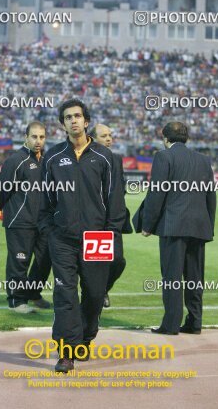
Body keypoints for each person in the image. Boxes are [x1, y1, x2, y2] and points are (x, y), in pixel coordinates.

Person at [38, 99, 126, 373]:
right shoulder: (53, 157)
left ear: (86, 121)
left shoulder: (104, 157)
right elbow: (44, 200)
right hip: (62, 238)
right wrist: (50, 230)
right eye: (68, 117)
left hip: (97, 238)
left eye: (77, 116)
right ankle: (66, 351)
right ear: (62, 124)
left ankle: (86, 337)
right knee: (65, 293)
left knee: (95, 293)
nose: (73, 120)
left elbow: (115, 198)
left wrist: (110, 233)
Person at [139, 122, 216, 335]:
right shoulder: (203, 160)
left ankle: (171, 325)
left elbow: (157, 193)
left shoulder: (164, 157)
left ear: (165, 139)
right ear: (186, 138)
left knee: (172, 278)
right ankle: (194, 322)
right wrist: (209, 226)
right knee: (194, 277)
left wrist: (147, 225)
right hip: (199, 226)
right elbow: (211, 196)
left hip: (173, 226)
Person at [0, 121, 51, 314]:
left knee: (45, 260)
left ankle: (32, 294)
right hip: (20, 221)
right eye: (34, 136)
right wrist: (3, 208)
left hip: (43, 223)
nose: (38, 141)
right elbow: (1, 191)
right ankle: (17, 301)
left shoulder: (46, 160)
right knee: (20, 262)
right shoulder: (15, 160)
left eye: (42, 137)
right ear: (26, 137)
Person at [90, 124, 132, 308]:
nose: (109, 139)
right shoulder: (87, 158)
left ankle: (103, 289)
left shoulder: (116, 159)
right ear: (92, 139)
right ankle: (94, 297)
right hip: (94, 220)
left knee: (117, 261)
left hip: (114, 220)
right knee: (97, 263)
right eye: (104, 136)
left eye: (110, 135)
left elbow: (119, 189)